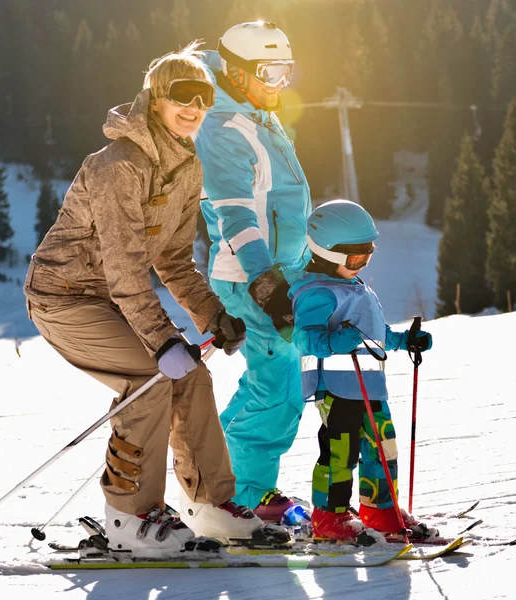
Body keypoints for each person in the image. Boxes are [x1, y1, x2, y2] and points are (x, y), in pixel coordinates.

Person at [23, 42, 265, 556]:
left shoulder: (187, 166)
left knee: (192, 373)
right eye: (183, 94)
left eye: (204, 95)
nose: (195, 106)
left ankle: (210, 506)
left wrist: (213, 315)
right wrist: (160, 342)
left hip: (113, 297)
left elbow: (174, 261)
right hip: (64, 297)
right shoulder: (118, 163)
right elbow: (124, 265)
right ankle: (129, 518)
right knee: (150, 378)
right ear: (156, 98)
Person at [194, 21, 311, 520]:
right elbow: (235, 215)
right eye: (269, 72)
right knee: (277, 391)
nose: (279, 82)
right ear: (237, 73)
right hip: (248, 277)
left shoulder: (254, 111)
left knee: (276, 387)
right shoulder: (224, 128)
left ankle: (237, 488)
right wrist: (266, 282)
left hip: (278, 272)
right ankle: (235, 497)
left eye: (286, 71)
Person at [289, 200, 438, 542]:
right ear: (325, 253)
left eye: (367, 257)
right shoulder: (317, 293)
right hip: (338, 390)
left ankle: (380, 509)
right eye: (355, 259)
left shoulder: (356, 288)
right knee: (342, 452)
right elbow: (305, 339)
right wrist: (336, 341)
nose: (362, 265)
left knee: (383, 448)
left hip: (369, 386)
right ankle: (329, 517)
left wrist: (405, 340)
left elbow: (376, 334)